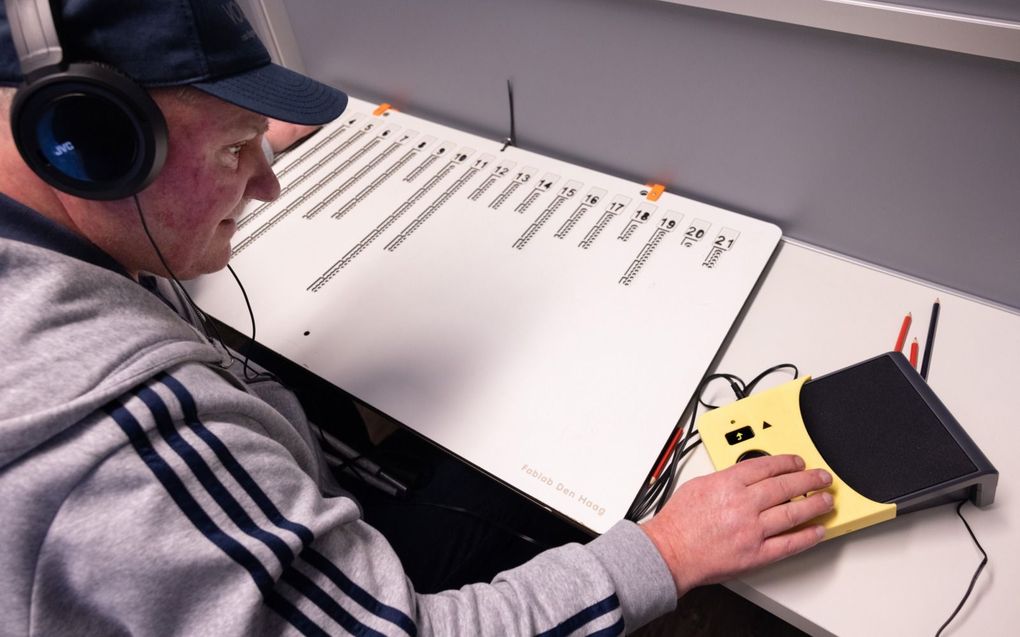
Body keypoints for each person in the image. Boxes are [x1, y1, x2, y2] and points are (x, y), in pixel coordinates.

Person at [0, 1, 834, 635]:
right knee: (533, 495)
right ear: (93, 145)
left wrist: (229, 142)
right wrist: (668, 553)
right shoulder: (122, 447)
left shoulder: (49, 208)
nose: (266, 186)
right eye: (232, 153)